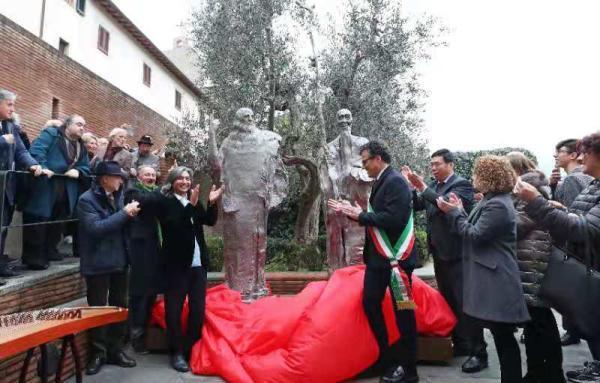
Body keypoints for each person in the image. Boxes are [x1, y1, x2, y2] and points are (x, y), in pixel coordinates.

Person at [329, 141, 419, 383]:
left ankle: (409, 371)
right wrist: (355, 212)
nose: (364, 166)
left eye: (366, 161)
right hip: (379, 261)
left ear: (378, 158)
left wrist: (358, 215)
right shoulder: (382, 180)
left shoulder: (396, 181)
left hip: (396, 261)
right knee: (370, 303)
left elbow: (395, 219)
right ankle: (387, 358)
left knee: (405, 314)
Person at [514, 132, 600, 383]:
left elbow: (584, 230)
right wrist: (561, 209)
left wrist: (537, 203)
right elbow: (579, 218)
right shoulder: (593, 185)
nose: (580, 156)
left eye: (586, 151)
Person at [437, 155, 530, 383]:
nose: (472, 177)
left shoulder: (497, 204)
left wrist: (454, 213)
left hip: (496, 278)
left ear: (488, 177)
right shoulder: (492, 200)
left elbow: (474, 235)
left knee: (503, 337)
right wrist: (459, 210)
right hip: (492, 275)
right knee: (501, 336)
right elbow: (476, 228)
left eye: (476, 173)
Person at [403, 149, 485, 372]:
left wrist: (421, 186)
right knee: (448, 298)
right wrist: (411, 188)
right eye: (431, 164)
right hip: (439, 251)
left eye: (437, 164)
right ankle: (460, 342)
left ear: (450, 164)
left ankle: (477, 348)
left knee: (464, 300)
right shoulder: (434, 185)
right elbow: (419, 205)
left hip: (457, 252)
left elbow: (445, 206)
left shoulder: (461, 185)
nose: (433, 168)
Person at [137, 166, 222, 372]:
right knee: (173, 310)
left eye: (187, 178)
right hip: (175, 266)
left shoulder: (192, 201)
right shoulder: (164, 202)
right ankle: (176, 352)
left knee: (198, 309)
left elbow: (208, 221)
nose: (184, 181)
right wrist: (190, 206)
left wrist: (211, 202)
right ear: (173, 181)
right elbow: (173, 226)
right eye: (180, 178)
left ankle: (191, 348)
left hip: (197, 265)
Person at [208, 107, 287, 301]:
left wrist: (273, 196)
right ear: (237, 120)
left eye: (252, 116)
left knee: (258, 244)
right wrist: (211, 135)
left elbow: (278, 173)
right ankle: (239, 289)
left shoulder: (268, 140)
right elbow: (216, 166)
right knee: (237, 248)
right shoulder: (227, 143)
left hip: (258, 200)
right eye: (245, 117)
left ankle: (257, 286)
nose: (250, 119)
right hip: (235, 201)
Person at [507, 152, 565, 383]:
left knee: (539, 322)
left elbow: (519, 225)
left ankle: (547, 375)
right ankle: (541, 373)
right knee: (536, 324)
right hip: (530, 261)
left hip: (532, 262)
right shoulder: (529, 187)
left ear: (515, 169)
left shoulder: (529, 189)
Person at [77, 161, 140, 375]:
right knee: (97, 309)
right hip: (97, 264)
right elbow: (96, 229)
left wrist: (130, 216)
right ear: (105, 178)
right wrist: (125, 214)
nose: (121, 180)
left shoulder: (121, 195)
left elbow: (122, 225)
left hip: (120, 261)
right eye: (117, 177)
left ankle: (116, 350)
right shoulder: (87, 200)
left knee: (119, 307)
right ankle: (98, 353)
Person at [22, 115, 89, 270]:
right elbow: (37, 151)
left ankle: (49, 252)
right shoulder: (51, 134)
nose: (82, 128)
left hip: (66, 191)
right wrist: (44, 167)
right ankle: (34, 259)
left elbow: (85, 166)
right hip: (46, 186)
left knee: (57, 223)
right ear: (68, 125)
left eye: (84, 125)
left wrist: (78, 171)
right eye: (79, 124)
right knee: (38, 222)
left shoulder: (80, 145)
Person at [550, 138, 593, 347]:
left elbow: (576, 217)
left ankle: (574, 331)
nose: (556, 156)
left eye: (560, 152)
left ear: (573, 155)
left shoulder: (572, 180)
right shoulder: (580, 179)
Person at [0, 90, 44, 283]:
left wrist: (32, 164)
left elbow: (21, 151)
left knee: (3, 228)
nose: (13, 109)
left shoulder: (11, 126)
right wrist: (1, 141)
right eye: (9, 105)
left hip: (6, 189)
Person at [322, 108, 371, 270]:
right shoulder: (329, 147)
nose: (343, 120)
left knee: (359, 234)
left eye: (346, 117)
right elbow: (328, 172)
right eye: (340, 117)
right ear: (336, 121)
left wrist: (354, 173)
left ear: (351, 119)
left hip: (359, 194)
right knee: (337, 234)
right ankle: (338, 271)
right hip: (338, 195)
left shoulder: (362, 142)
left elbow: (369, 167)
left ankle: (359, 271)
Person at [124, 165, 162, 354]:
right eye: (147, 174)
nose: (151, 177)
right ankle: (135, 337)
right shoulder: (133, 190)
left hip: (155, 248)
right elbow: (145, 201)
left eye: (153, 175)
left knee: (151, 293)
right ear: (139, 176)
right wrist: (164, 191)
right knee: (139, 293)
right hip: (140, 249)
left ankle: (145, 335)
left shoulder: (158, 192)